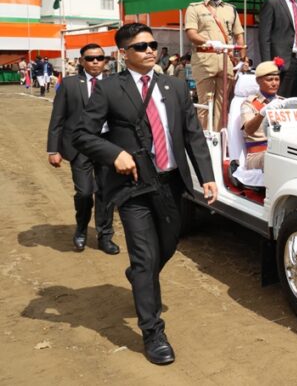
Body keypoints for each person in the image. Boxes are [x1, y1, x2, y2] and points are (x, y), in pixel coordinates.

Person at [73, 23, 218, 365]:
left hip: (170, 183)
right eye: (141, 47)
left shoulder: (175, 86)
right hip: (132, 188)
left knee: (166, 247)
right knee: (144, 257)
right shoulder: (109, 88)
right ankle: (153, 332)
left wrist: (207, 177)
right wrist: (114, 155)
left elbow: (192, 135)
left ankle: (141, 276)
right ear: (124, 53)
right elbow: (81, 134)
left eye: (153, 44)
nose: (151, 50)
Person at [46, 44, 119, 254]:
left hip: (107, 144)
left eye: (99, 58)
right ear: (81, 61)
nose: (95, 62)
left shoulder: (115, 84)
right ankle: (81, 229)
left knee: (106, 193)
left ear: (105, 61)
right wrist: (53, 149)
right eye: (90, 58)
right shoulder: (69, 84)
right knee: (85, 192)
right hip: (79, 145)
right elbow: (57, 118)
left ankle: (105, 236)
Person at [184, 0, 246, 131]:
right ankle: (204, 141)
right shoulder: (195, 8)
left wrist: (242, 59)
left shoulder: (230, 9)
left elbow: (239, 34)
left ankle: (219, 139)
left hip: (227, 61)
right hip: (205, 60)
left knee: (223, 104)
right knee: (205, 103)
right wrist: (210, 42)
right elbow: (191, 33)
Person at [240, 61, 290, 170]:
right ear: (258, 81)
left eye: (277, 79)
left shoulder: (283, 102)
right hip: (257, 155)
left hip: (282, 150)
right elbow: (248, 130)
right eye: (269, 80)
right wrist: (262, 112)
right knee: (274, 158)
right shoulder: (249, 104)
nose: (274, 83)